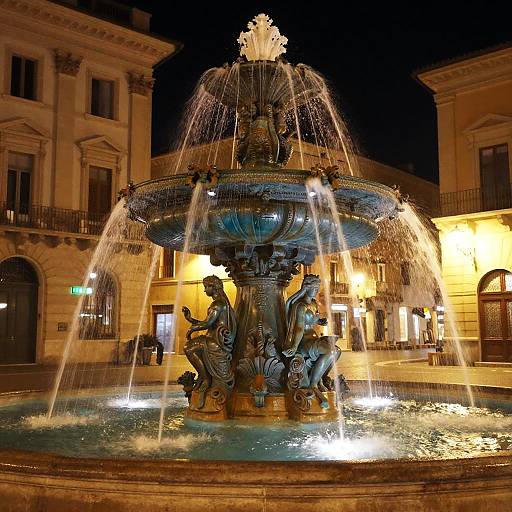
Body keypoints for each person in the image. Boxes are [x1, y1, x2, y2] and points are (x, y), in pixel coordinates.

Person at [282, 274, 341, 393]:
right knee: (331, 351)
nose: (316, 291)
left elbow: (313, 319)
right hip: (304, 341)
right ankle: (312, 385)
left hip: (314, 338)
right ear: (306, 288)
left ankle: (320, 377)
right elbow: (298, 328)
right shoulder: (300, 307)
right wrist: (293, 346)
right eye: (314, 288)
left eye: (317, 288)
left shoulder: (313, 304)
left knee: (338, 351)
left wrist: (320, 321)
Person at [182, 275, 237, 400]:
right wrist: (190, 319)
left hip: (216, 342)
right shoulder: (221, 303)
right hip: (216, 340)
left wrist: (191, 329)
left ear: (214, 287)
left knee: (188, 348)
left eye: (206, 287)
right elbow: (207, 322)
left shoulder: (218, 304)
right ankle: (204, 377)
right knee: (190, 348)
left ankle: (205, 378)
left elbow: (207, 324)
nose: (205, 290)